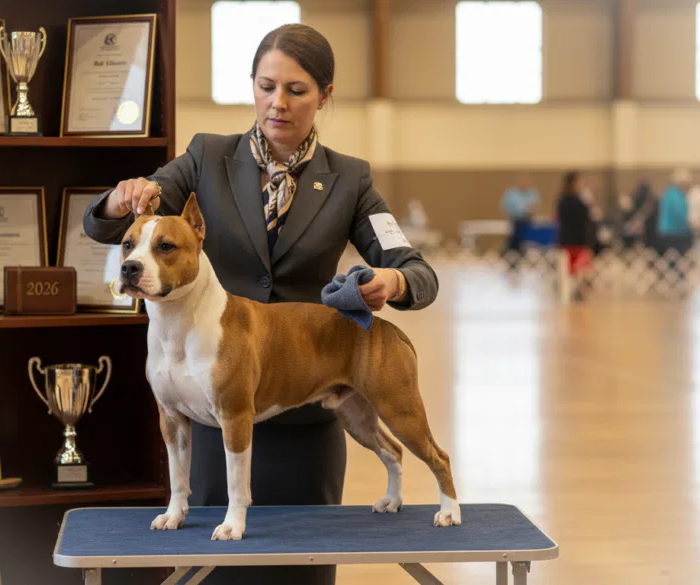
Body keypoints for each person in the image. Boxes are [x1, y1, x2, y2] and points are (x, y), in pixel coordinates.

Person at [81, 23, 439, 585]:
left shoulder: (350, 180)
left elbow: (415, 267)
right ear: (252, 85)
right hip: (215, 424)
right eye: (266, 85)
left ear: (324, 95)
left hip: (306, 424)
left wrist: (394, 283)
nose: (278, 103)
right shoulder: (205, 157)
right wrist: (117, 200)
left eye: (297, 90)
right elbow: (130, 225)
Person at [556, 171, 592, 299]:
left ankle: (579, 291)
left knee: (581, 271)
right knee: (569, 272)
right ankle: (570, 292)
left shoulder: (572, 200)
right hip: (569, 242)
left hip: (579, 241)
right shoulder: (566, 201)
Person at [500, 173, 539, 267]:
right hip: (516, 222)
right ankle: (511, 265)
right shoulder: (511, 193)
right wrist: (522, 210)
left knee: (528, 246)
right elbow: (505, 207)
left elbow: (535, 207)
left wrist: (530, 210)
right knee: (513, 246)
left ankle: (527, 264)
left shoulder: (532, 193)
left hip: (528, 222)